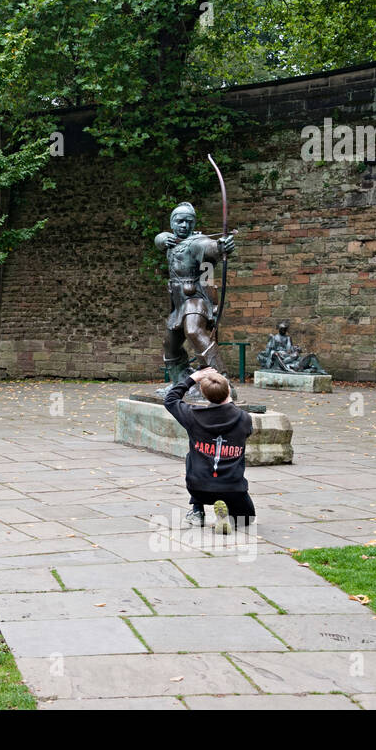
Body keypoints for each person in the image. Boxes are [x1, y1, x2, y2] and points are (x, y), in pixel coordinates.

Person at [163, 366, 255, 534]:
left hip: (199, 487)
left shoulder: (193, 415)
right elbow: (246, 432)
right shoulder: (244, 419)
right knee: (247, 519)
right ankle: (228, 515)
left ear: (204, 395)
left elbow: (170, 399)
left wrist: (193, 378)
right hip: (232, 488)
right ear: (228, 390)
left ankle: (197, 511)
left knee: (193, 456)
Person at [154, 202, 236, 384]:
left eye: (189, 222)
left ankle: (221, 382)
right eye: (180, 221)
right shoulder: (171, 241)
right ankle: (181, 382)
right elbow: (160, 239)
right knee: (170, 345)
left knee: (193, 330)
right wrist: (162, 238)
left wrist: (221, 246)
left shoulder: (197, 242)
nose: (184, 226)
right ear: (172, 223)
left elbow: (210, 247)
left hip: (195, 298)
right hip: (178, 301)